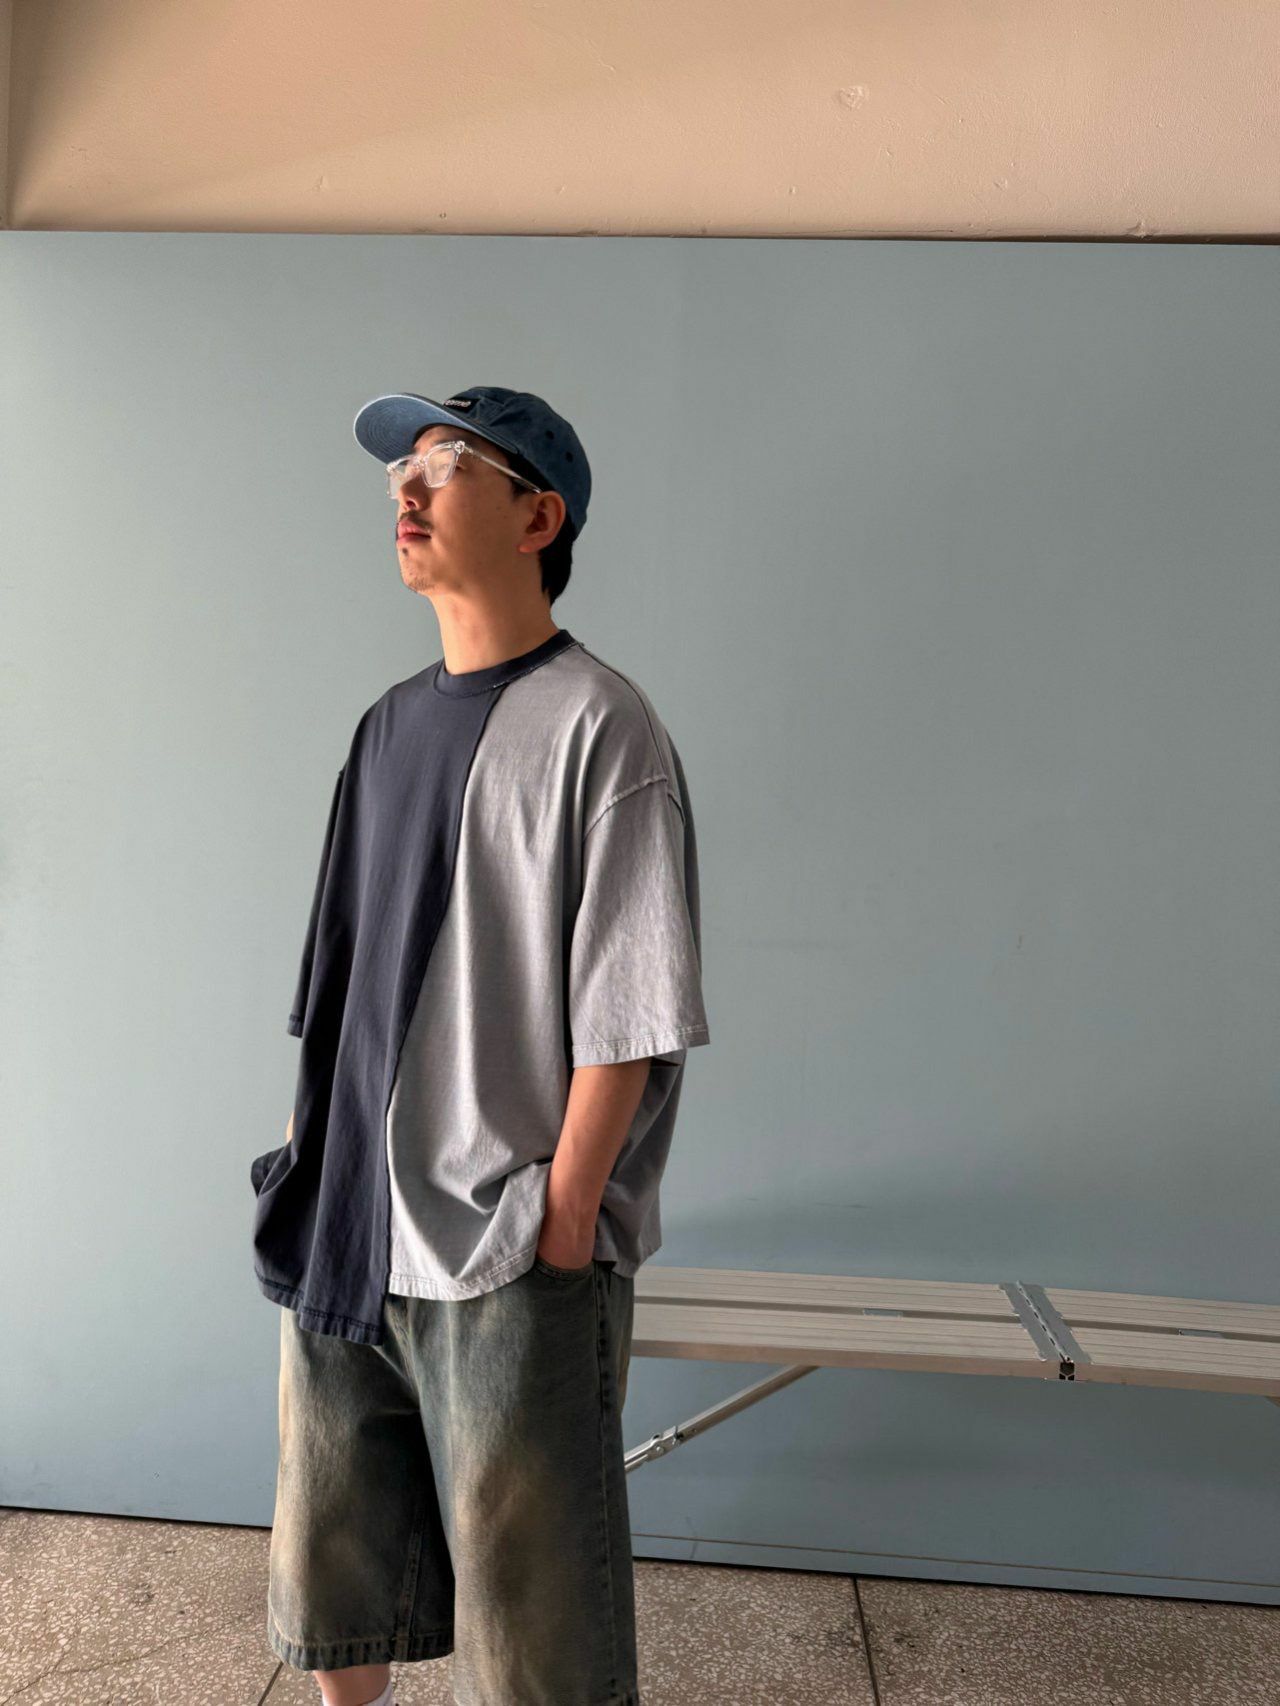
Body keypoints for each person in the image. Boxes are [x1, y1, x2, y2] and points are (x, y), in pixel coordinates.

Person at [249, 386, 711, 1706]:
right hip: (350, 1221)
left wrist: (563, 1221)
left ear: (536, 516)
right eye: (399, 468)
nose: (405, 488)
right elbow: (336, 977)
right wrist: (312, 1156)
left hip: (508, 1246)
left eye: (443, 463)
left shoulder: (602, 727)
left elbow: (632, 1007)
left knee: (535, 1629)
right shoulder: (387, 727)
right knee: (333, 1574)